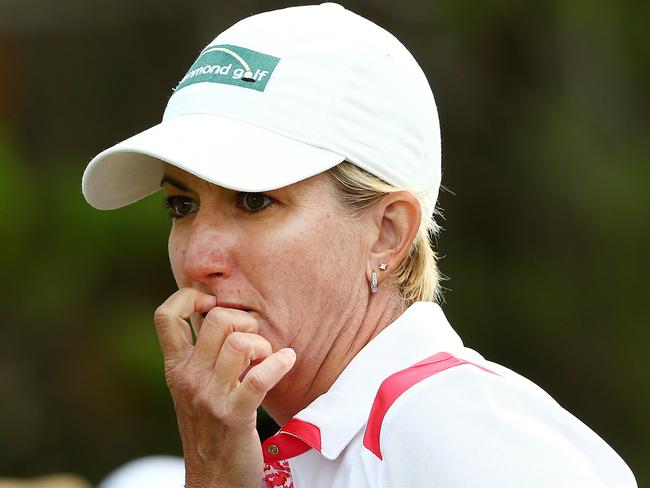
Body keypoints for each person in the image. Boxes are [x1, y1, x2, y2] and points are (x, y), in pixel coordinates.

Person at [81, 3, 637, 487]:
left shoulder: (459, 436)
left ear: (387, 232)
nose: (200, 259)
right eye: (182, 205)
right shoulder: (328, 443)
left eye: (254, 202)